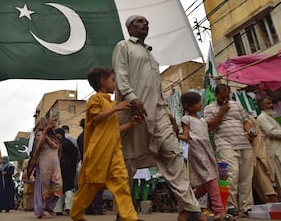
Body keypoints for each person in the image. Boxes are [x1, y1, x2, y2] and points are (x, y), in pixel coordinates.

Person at [112, 15, 206, 221]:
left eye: (146, 22)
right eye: (139, 21)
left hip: (159, 114)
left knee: (173, 154)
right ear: (129, 28)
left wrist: (169, 114)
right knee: (129, 161)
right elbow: (120, 75)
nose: (145, 24)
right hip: (134, 112)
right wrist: (131, 97)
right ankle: (124, 213)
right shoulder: (123, 46)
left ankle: (189, 209)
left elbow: (156, 89)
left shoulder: (152, 56)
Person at [70, 67, 144, 221]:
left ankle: (129, 217)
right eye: (112, 80)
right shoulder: (95, 99)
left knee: (121, 181)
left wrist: (130, 124)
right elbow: (96, 118)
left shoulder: (110, 103)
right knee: (91, 184)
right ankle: (76, 214)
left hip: (114, 150)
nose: (115, 84)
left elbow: (113, 129)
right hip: (99, 151)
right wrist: (117, 108)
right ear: (103, 82)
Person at [204, 84, 255, 219]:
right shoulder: (209, 108)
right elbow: (209, 127)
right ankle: (231, 207)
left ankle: (246, 206)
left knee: (246, 178)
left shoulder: (237, 105)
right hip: (225, 145)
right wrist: (221, 112)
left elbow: (246, 121)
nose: (225, 99)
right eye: (222, 97)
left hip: (244, 144)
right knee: (232, 175)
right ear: (216, 95)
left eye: (227, 96)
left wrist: (251, 131)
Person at [177, 92, 225, 220]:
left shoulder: (202, 120)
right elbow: (186, 137)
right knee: (211, 179)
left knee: (206, 183)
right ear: (190, 106)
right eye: (198, 102)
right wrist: (174, 133)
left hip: (207, 151)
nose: (200, 104)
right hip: (198, 152)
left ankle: (186, 205)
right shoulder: (186, 119)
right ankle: (219, 211)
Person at [32, 117, 63, 219]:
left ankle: (48, 206)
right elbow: (39, 145)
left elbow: (58, 148)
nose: (53, 124)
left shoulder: (53, 136)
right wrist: (45, 131)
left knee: (58, 185)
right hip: (44, 163)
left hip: (54, 164)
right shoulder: (40, 134)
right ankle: (40, 211)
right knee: (43, 187)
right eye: (51, 122)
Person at [248, 115, 277, 203]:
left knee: (265, 184)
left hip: (256, 154)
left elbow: (253, 134)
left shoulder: (247, 118)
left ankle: (272, 206)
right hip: (254, 153)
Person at [257, 96, 281, 198]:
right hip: (273, 151)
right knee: (279, 177)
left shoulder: (270, 117)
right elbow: (270, 132)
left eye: (271, 103)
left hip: (278, 148)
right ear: (262, 106)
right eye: (268, 104)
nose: (271, 105)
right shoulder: (262, 117)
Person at [54, 127, 79, 215]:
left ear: (60, 134)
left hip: (61, 169)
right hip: (69, 170)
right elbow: (76, 154)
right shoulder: (69, 143)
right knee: (68, 187)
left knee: (60, 187)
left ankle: (59, 209)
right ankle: (68, 207)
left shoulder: (60, 144)